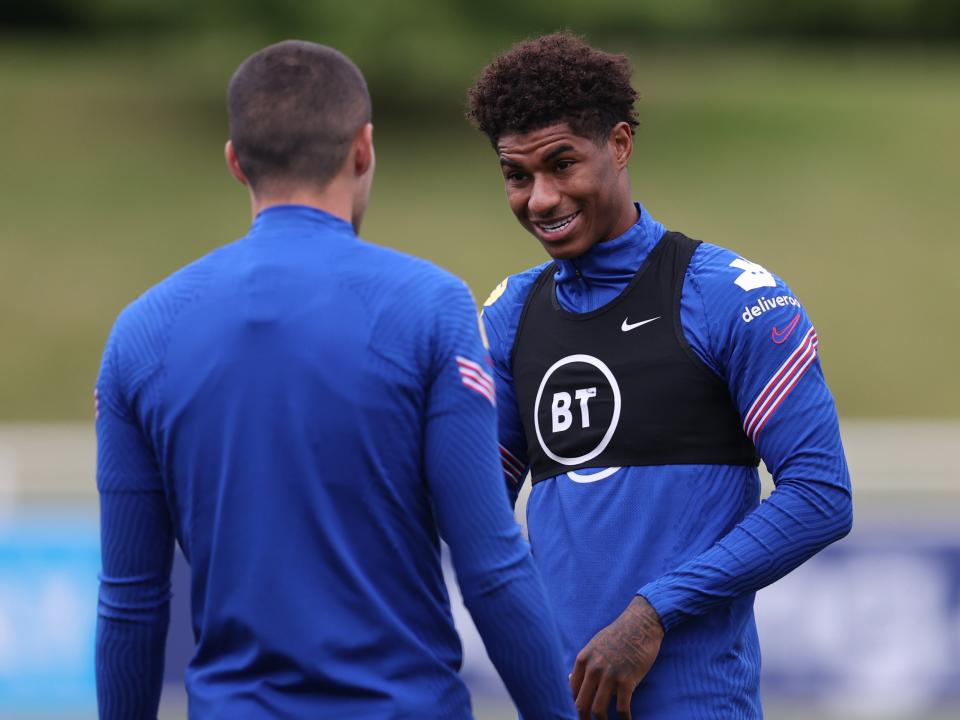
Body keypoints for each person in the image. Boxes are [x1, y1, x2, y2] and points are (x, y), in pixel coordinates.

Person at [94, 40, 576, 719]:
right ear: (364, 149)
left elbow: (132, 602)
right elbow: (491, 568)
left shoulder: (141, 335)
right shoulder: (429, 306)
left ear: (235, 162)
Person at [467, 33, 853, 719]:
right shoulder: (510, 314)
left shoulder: (731, 296)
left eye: (562, 164)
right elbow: (477, 503)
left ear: (618, 145)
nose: (541, 199)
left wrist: (652, 613)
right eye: (517, 175)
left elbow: (821, 496)